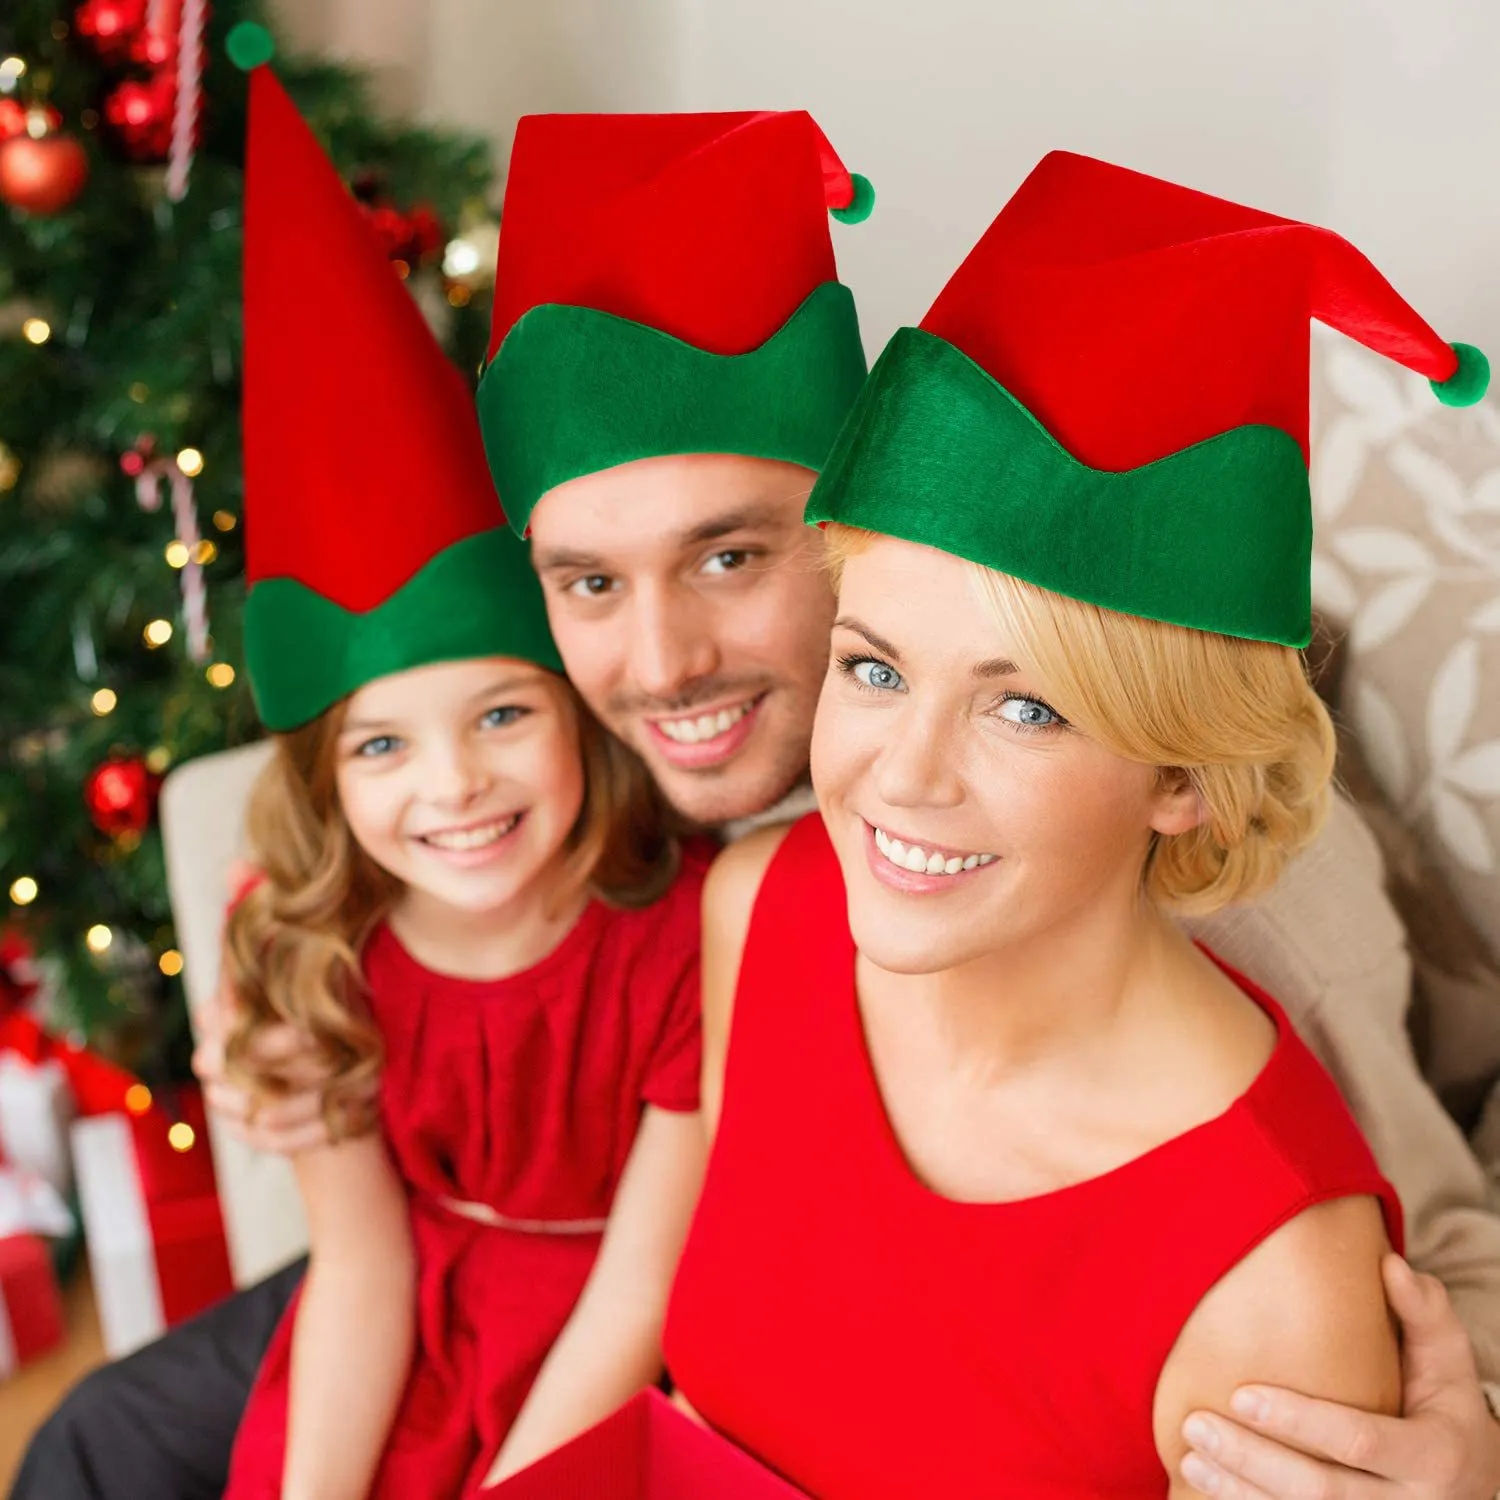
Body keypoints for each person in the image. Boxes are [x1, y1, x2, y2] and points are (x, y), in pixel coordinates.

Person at [15, 113, 1500, 1500]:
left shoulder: (1231, 913)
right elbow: (402, 789)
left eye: (732, 558)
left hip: (782, 1331)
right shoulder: (631, 766)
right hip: (549, 1258)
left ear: (854, 521)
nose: (661, 667)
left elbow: (1417, 1254)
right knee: (98, 1441)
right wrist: (300, 980)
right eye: (589, 581)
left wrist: (1461, 1448)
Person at [662, 150, 1498, 1498]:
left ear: (1183, 780)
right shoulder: (763, 907)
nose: (902, 777)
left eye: (1028, 710)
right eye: (875, 667)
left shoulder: (1274, 1287)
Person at [217, 54, 703, 1500]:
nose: (454, 788)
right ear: (327, 775)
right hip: (418, 1351)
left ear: (575, 711)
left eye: (500, 714)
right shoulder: (321, 954)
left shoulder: (686, 941)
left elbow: (645, 1289)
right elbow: (359, 1276)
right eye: (382, 743)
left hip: (627, 1369)